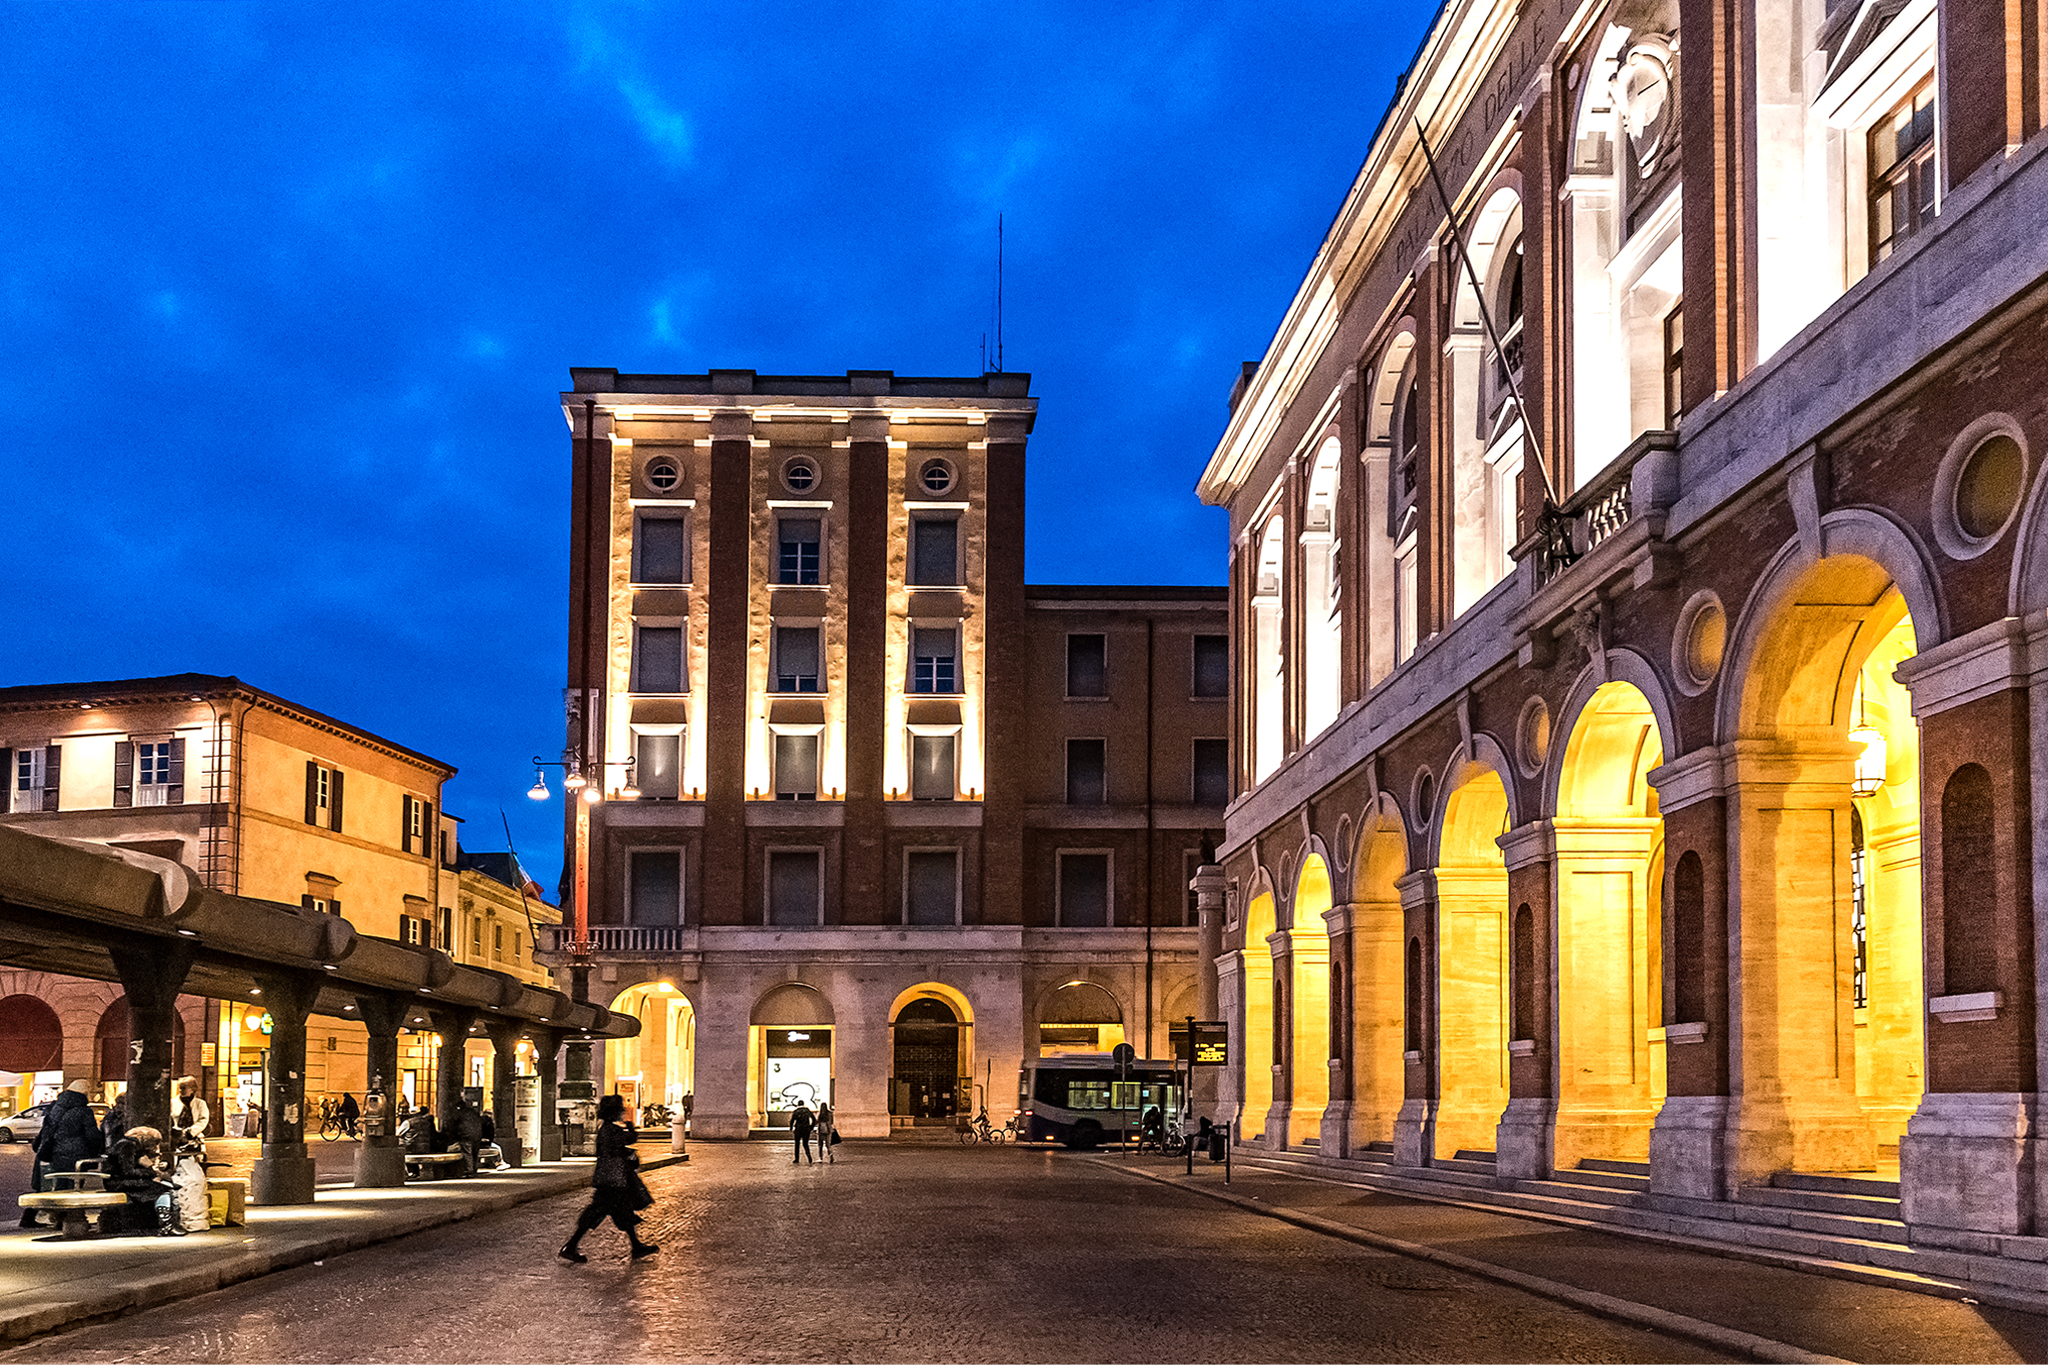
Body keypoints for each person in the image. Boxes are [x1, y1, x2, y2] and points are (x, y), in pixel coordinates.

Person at [559, 1095, 656, 1263]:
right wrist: (632, 1129)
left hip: (609, 1178)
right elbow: (626, 1141)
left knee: (621, 1212)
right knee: (601, 1212)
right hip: (612, 1180)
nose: (622, 1112)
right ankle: (571, 1246)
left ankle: (636, 1246)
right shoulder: (611, 1130)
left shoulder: (605, 1130)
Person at [23, 1080, 103, 1229]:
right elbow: (92, 1135)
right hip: (78, 1155)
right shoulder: (84, 1111)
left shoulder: (54, 1108)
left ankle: (59, 1218)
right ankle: (73, 1219)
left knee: (60, 1185)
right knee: (75, 1186)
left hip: (56, 1154)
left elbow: (46, 1130)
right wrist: (99, 1148)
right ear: (84, 1094)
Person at [106, 1125, 184, 1237]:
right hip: (118, 1183)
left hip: (122, 1181)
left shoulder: (130, 1145)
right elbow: (127, 1171)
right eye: (154, 1142)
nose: (155, 1146)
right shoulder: (127, 1146)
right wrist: (150, 1171)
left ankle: (166, 1223)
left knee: (164, 1186)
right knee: (161, 1188)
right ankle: (166, 1224)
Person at [170, 1076, 210, 1145]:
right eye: (180, 1087)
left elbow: (203, 1120)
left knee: (198, 1155)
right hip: (175, 1137)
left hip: (194, 1137)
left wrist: (191, 1132)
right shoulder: (172, 1102)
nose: (180, 1090)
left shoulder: (200, 1103)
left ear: (192, 1089)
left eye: (184, 1088)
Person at [789, 1100, 815, 1165]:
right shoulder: (807, 1110)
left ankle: (797, 1159)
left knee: (797, 1144)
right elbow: (813, 1118)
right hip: (806, 1129)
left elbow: (792, 1120)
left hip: (798, 1129)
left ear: (798, 1104)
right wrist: (811, 1126)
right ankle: (809, 1157)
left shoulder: (796, 1111)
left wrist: (791, 1128)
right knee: (805, 1144)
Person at [815, 1098, 835, 1164]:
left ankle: (820, 1158)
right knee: (828, 1144)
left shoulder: (819, 1114)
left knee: (820, 1145)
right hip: (828, 1130)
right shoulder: (830, 1113)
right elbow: (832, 1122)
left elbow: (816, 1121)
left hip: (820, 1130)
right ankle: (830, 1154)